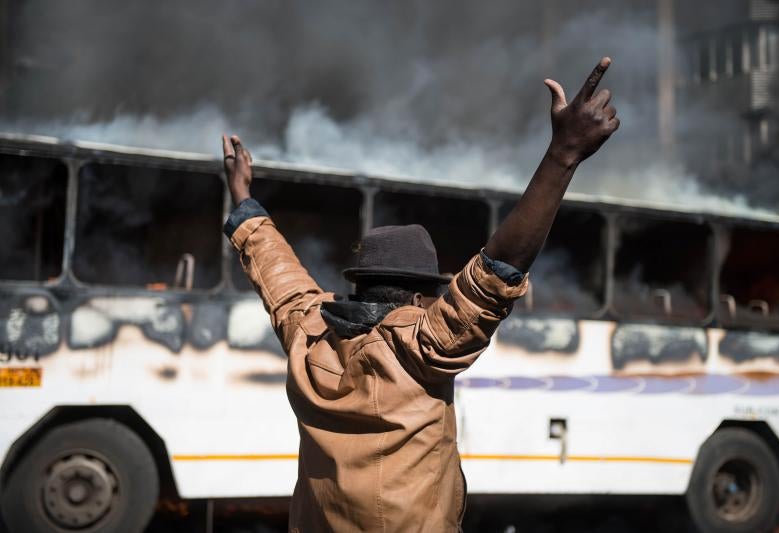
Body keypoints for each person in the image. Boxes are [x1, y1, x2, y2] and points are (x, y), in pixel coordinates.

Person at [222, 57, 620, 532]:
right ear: (415, 301)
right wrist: (563, 155)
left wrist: (244, 202)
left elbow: (279, 279)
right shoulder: (419, 349)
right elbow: (498, 269)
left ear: (360, 283)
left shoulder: (309, 337)